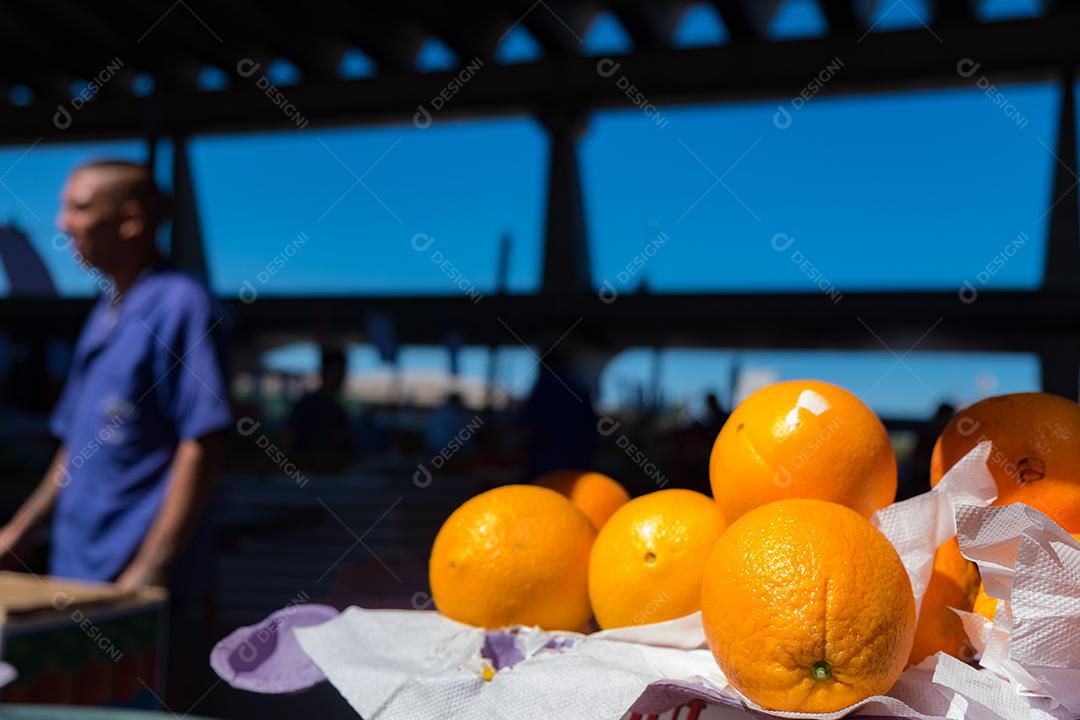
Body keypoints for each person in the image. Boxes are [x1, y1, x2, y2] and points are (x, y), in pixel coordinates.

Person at [0, 160, 231, 590]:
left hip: (130, 571)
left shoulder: (180, 306)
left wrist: (150, 566)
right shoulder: (104, 314)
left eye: (79, 208)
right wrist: (22, 528)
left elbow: (202, 442)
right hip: (78, 561)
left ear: (130, 220)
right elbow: (75, 446)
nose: (62, 223)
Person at [284, 346, 351, 473]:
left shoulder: (338, 411)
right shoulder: (306, 405)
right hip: (305, 476)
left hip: (331, 477)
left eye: (342, 372)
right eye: (336, 372)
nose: (340, 377)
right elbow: (288, 439)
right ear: (324, 373)